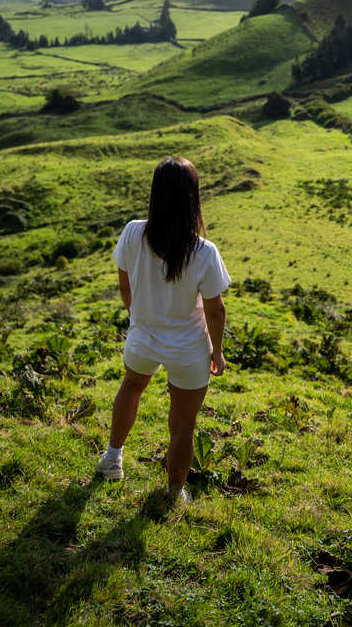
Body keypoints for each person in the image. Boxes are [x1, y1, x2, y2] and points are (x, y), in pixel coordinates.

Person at [97, 156, 230, 502]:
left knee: (131, 386)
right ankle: (173, 492)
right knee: (183, 426)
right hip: (188, 349)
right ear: (193, 198)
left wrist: (138, 316)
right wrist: (217, 351)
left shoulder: (132, 232)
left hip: (143, 336)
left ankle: (112, 459)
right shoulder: (204, 251)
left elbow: (125, 286)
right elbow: (216, 311)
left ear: (155, 193)